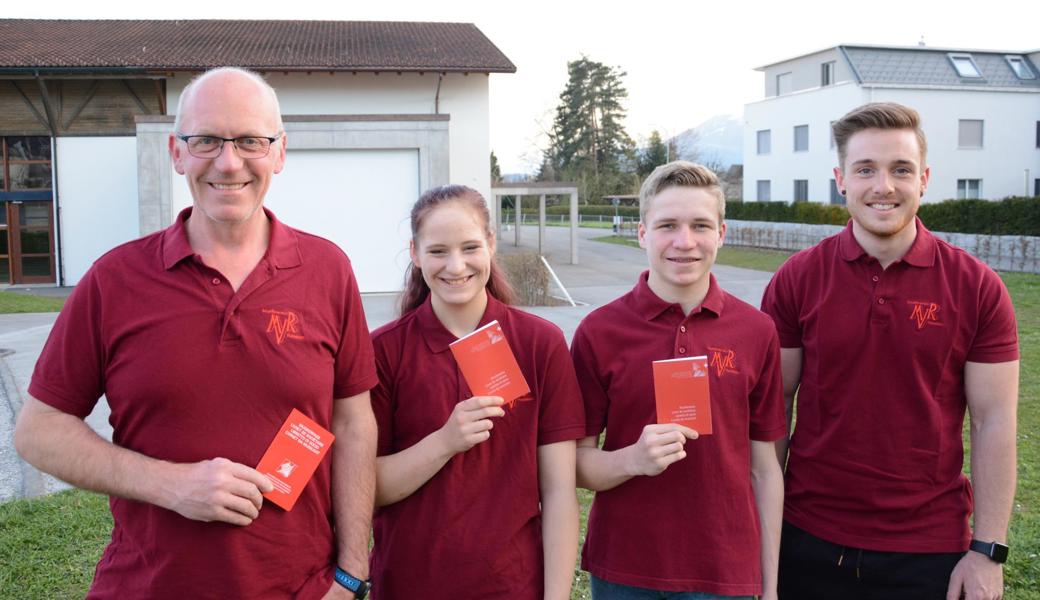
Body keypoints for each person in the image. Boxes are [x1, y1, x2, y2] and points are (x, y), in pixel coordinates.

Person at [14, 67, 378, 600]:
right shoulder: (115, 281)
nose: (229, 163)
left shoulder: (327, 271)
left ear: (279, 152)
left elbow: (353, 421)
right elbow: (38, 430)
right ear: (176, 152)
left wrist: (350, 573)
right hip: (147, 587)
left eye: (251, 140)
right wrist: (172, 484)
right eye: (206, 140)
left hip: (301, 589)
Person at [760, 102, 1019, 600]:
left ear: (923, 178)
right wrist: (764, 533)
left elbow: (995, 422)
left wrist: (988, 551)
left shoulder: (977, 287)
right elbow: (774, 409)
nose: (884, 186)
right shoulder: (797, 279)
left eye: (900, 169)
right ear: (841, 180)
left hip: (930, 551)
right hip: (808, 540)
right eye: (865, 170)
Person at [572, 161, 786, 599]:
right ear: (642, 234)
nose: (684, 242)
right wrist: (631, 459)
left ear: (722, 235)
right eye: (667, 225)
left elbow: (764, 469)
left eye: (700, 226)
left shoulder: (757, 331)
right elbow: (574, 462)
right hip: (625, 569)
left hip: (726, 569)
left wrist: (770, 582)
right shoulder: (599, 331)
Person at [368, 184, 585, 599]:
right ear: (414, 253)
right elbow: (369, 487)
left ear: (490, 244)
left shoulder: (540, 343)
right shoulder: (383, 351)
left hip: (512, 585)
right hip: (409, 585)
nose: (456, 265)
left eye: (470, 247)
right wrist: (444, 442)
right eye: (437, 251)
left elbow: (559, 491)